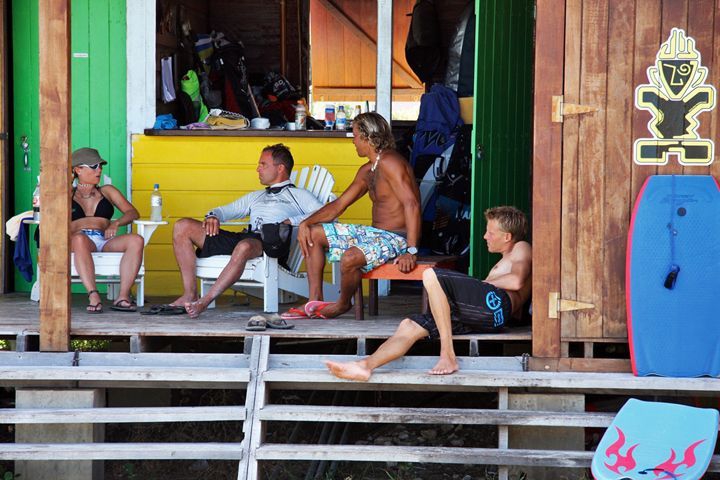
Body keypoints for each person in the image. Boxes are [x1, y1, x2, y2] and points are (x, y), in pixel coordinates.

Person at [325, 206, 531, 380]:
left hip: (498, 307)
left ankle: (447, 354)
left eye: (491, 232)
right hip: (487, 315)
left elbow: (516, 280)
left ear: (507, 237)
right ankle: (366, 366)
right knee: (410, 326)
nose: (485, 236)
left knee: (431, 274)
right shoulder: (506, 257)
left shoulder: (521, 247)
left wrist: (480, 284)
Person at [288, 112, 421, 319]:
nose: (353, 141)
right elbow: (339, 205)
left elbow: (411, 204)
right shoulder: (368, 170)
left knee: (350, 257)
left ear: (369, 137)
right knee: (313, 234)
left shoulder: (391, 162)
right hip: (375, 234)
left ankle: (342, 304)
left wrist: (411, 250)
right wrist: (306, 223)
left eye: (356, 136)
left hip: (397, 238)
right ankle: (315, 301)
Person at [171, 144, 324, 318]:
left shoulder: (299, 195)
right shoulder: (256, 196)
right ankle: (190, 293)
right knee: (182, 226)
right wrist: (213, 216)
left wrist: (293, 221)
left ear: (280, 168)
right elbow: (225, 210)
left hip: (270, 245)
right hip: (246, 238)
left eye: (263, 164)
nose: (257, 169)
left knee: (244, 246)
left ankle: (204, 301)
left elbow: (326, 214)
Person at [71, 148, 144, 313]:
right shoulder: (67, 193)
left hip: (104, 239)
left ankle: (123, 296)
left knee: (136, 240)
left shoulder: (107, 191)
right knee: (79, 239)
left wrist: (116, 223)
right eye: (94, 166)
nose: (99, 170)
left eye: (100, 166)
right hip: (79, 240)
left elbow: (132, 212)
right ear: (78, 169)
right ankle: (93, 294)